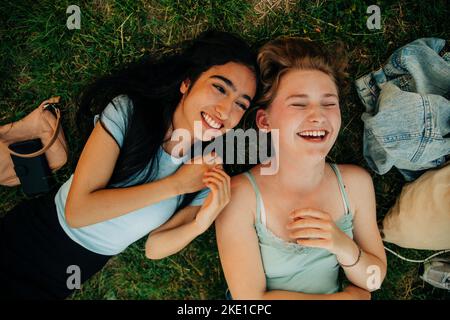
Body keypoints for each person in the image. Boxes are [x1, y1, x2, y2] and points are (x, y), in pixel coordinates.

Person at [0, 31, 258, 299]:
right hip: (31, 238)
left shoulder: (208, 172)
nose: (226, 111)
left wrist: (202, 221)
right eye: (220, 88)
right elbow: (78, 212)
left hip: (67, 275)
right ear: (187, 82)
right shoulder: (129, 111)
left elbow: (154, 248)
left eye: (241, 104)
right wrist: (175, 185)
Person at [215, 37, 387, 300]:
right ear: (264, 120)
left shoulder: (355, 183)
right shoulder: (240, 196)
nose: (318, 115)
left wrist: (343, 246)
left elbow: (374, 279)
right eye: (299, 103)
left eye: (329, 103)